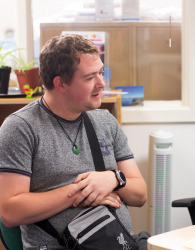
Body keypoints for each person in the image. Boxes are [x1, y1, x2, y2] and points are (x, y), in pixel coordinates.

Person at [0, 34, 148, 249]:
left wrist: (113, 179)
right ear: (60, 83)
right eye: (90, 78)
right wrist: (82, 192)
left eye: (100, 72)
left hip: (118, 242)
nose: (101, 83)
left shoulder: (105, 121)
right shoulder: (20, 128)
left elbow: (140, 194)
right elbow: (10, 212)